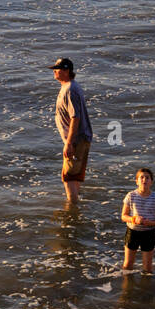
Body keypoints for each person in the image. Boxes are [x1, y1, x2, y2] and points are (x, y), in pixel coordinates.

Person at [51, 57, 93, 203]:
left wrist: (69, 143)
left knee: (68, 177)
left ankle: (72, 210)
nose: (54, 72)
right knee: (74, 175)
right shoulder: (70, 86)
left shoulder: (70, 89)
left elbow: (75, 117)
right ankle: (75, 205)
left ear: (66, 71)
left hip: (76, 140)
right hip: (80, 138)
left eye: (57, 69)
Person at [122, 168, 155, 273]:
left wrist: (149, 223)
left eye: (147, 177)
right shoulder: (131, 196)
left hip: (148, 233)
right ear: (137, 181)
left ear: (151, 182)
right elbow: (123, 216)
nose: (144, 179)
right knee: (128, 264)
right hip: (132, 232)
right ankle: (127, 287)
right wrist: (133, 219)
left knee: (147, 267)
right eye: (141, 177)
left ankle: (145, 288)